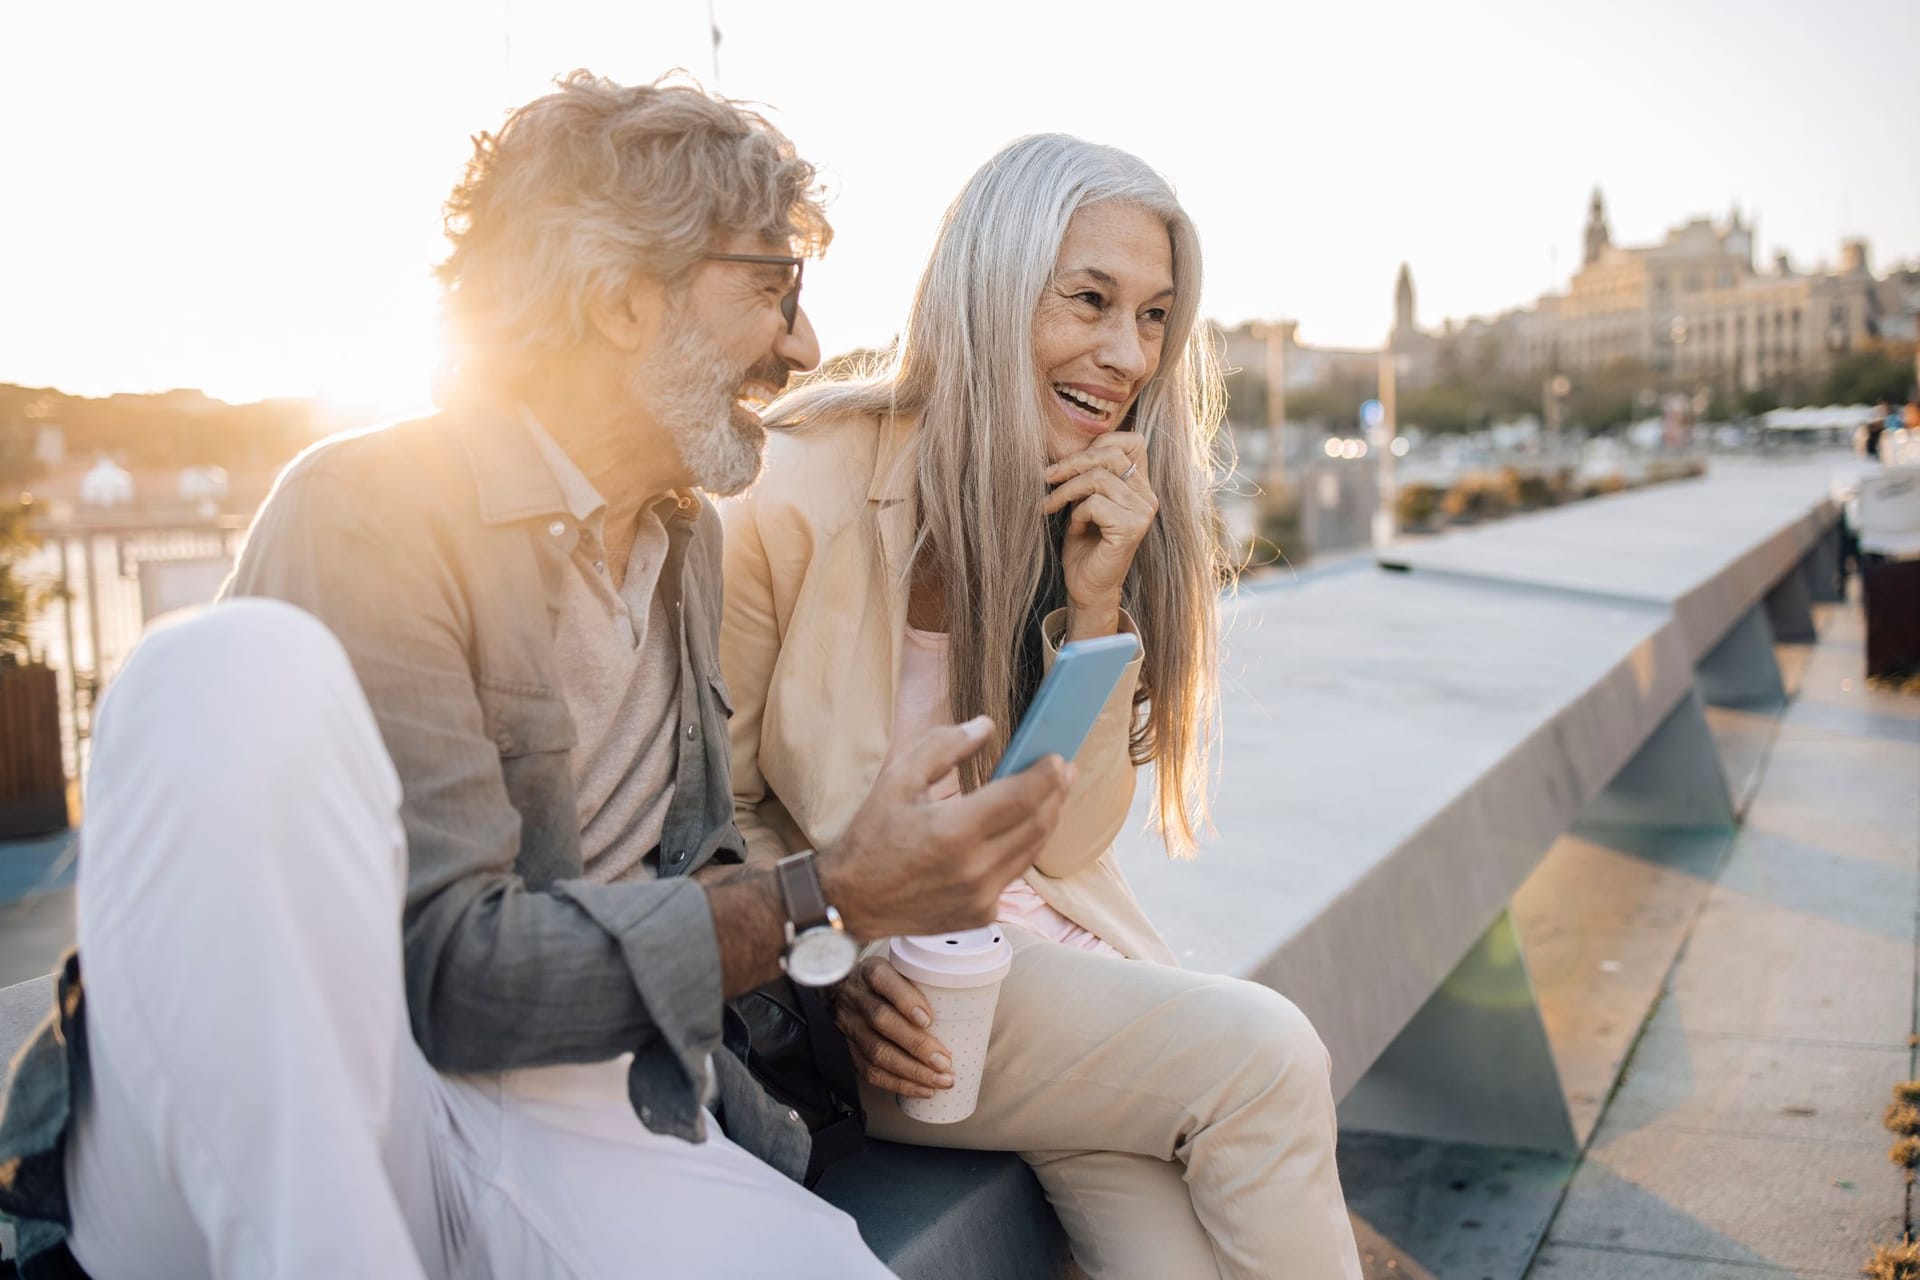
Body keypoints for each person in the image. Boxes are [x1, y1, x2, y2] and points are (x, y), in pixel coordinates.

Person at [0, 73, 1078, 1279]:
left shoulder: (682, 538)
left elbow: (692, 868)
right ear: (622, 300)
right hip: (354, 1093)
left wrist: (845, 969)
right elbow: (448, 981)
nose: (807, 346)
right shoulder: (367, 511)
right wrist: (826, 895)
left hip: (591, 1095)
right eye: (772, 289)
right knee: (216, 667)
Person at [720, 134, 1364, 1280]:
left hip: (1055, 968)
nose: (1127, 355)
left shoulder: (1075, 496)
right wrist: (839, 946)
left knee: (1175, 1261)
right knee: (1266, 1055)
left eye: (1157, 316)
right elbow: (718, 812)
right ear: (992, 285)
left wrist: (1098, 600)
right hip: (905, 1003)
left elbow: (1067, 837)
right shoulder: (795, 481)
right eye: (1090, 300)